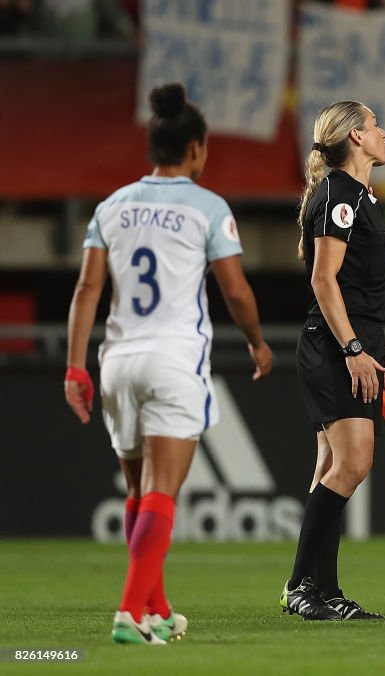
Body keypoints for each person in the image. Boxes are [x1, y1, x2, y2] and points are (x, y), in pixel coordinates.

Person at [64, 83, 273, 645]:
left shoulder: (112, 206)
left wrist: (74, 368)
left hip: (117, 361)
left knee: (137, 490)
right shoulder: (207, 207)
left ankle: (155, 607)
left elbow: (87, 288)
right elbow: (236, 292)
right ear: (197, 149)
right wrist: (256, 340)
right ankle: (129, 614)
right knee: (162, 492)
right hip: (173, 359)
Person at [279, 101, 385, 621]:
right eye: (374, 126)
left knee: (330, 465)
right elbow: (323, 280)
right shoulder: (339, 195)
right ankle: (303, 585)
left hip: (353, 342)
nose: (383, 133)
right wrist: (353, 350)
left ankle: (321, 591)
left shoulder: (357, 195)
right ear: (354, 138)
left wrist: (367, 348)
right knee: (353, 463)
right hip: (335, 346)